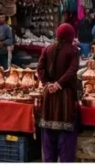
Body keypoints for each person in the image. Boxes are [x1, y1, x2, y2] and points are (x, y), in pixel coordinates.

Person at [37, 23, 80, 162]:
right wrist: (59, 84)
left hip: (48, 95)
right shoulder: (73, 50)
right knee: (66, 138)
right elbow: (72, 70)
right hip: (65, 96)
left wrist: (47, 83)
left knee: (48, 138)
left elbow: (40, 68)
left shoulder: (48, 48)